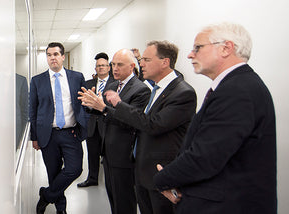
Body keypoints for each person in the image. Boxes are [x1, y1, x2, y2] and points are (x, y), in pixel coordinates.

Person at [153, 22, 276, 214]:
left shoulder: (237, 90)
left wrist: (162, 180)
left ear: (226, 48)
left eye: (198, 48)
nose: (190, 54)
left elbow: (205, 157)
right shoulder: (235, 86)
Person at [80, 41, 197, 214]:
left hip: (159, 169)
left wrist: (112, 106)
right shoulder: (157, 89)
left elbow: (150, 124)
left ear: (165, 62)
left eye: (146, 59)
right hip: (140, 165)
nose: (141, 63)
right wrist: (94, 105)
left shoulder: (181, 92)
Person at [79, 49, 150, 214]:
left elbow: (132, 122)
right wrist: (92, 106)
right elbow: (106, 113)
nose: (114, 68)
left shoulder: (140, 90)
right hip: (109, 153)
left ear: (132, 66)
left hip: (124, 155)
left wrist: (103, 108)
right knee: (113, 198)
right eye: (113, 64)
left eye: (119, 65)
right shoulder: (113, 85)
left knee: (124, 201)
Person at [30, 42, 87, 214]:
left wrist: (84, 126)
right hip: (48, 134)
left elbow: (84, 104)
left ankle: (46, 195)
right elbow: (33, 110)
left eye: (56, 54)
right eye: (49, 55)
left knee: (75, 169)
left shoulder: (77, 77)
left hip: (71, 132)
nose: (52, 58)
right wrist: (35, 136)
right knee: (53, 173)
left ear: (63, 56)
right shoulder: (37, 80)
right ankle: (61, 209)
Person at [77, 52, 115, 188]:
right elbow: (84, 104)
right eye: (98, 66)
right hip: (93, 124)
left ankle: (111, 181)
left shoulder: (115, 83)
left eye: (104, 65)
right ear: (95, 68)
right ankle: (92, 178)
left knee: (109, 155)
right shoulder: (89, 83)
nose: (101, 68)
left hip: (109, 124)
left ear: (109, 67)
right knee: (92, 154)